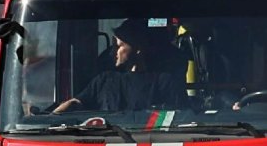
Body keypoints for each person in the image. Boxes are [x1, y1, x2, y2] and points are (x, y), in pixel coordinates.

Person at [52, 18, 188, 113]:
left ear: (138, 48)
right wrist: (52, 119)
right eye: (112, 45)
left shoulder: (164, 82)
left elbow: (179, 116)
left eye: (119, 46)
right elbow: (77, 102)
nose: (112, 51)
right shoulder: (104, 80)